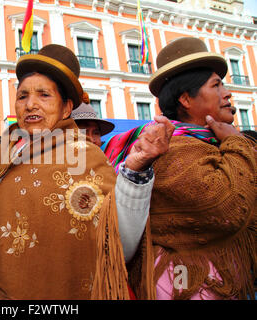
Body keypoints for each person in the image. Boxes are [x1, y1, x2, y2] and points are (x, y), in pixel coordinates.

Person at [0, 44, 174, 300]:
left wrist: (136, 169)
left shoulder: (85, 156)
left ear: (67, 108)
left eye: (44, 95)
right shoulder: (5, 159)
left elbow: (120, 247)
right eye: (23, 96)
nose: (30, 104)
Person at [106, 37, 256, 300]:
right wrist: (236, 141)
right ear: (186, 99)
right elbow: (228, 209)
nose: (228, 93)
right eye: (216, 85)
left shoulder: (214, 144)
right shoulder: (175, 150)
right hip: (187, 287)